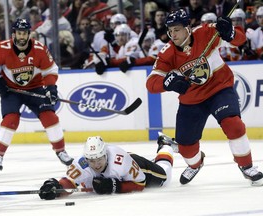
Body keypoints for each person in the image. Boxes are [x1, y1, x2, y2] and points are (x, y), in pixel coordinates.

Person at [146, 9, 263, 186]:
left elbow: (241, 40)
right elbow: (151, 83)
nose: (172, 34)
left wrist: (230, 32)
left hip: (219, 89)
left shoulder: (207, 32)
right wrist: (167, 83)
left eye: (177, 29)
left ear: (188, 28)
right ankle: (196, 163)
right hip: (191, 101)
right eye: (170, 30)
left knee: (234, 125)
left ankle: (246, 166)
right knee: (186, 148)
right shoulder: (167, 53)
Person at [0, 18, 73, 176]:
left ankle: (61, 152)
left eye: (25, 33)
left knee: (50, 117)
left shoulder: (39, 49)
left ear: (29, 33)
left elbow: (50, 69)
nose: (22, 36)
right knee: (10, 120)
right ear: (14, 34)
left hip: (36, 88)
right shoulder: (3, 48)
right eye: (19, 33)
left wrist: (51, 88)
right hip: (11, 90)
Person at [38, 134, 178, 200]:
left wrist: (116, 187)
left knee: (164, 177)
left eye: (99, 159)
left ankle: (166, 145)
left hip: (138, 166)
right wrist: (55, 187)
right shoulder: (82, 163)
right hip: (125, 171)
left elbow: (140, 184)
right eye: (91, 160)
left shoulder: (120, 160)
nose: (96, 164)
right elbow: (70, 182)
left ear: (105, 155)